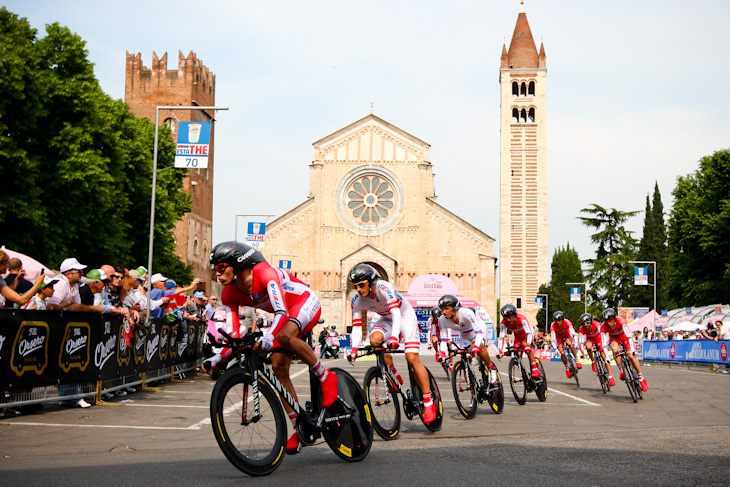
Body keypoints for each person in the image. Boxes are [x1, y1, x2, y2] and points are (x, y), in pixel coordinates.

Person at [209, 241, 338, 455]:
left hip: (303, 302)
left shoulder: (265, 274)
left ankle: (326, 376)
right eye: (215, 270)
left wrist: (269, 337)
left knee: (285, 335)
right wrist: (216, 359)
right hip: (285, 316)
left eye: (221, 268)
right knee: (278, 369)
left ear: (237, 264)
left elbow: (282, 313)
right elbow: (234, 337)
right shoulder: (229, 295)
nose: (217, 275)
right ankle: (300, 428)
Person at [346, 263, 437, 424]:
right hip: (386, 319)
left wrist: (394, 338)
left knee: (412, 358)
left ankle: (428, 402)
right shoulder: (357, 300)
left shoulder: (384, 287)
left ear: (371, 282)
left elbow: (396, 314)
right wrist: (353, 349)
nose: (358, 289)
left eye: (361, 285)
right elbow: (357, 326)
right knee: (375, 341)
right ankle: (393, 373)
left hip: (404, 316)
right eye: (355, 286)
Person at [437, 295, 499, 383]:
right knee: (465, 358)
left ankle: (491, 367)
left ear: (455, 308)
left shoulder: (466, 313)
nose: (444, 312)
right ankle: (472, 387)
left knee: (479, 347)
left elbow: (479, 332)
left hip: (478, 330)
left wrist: (476, 346)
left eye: (446, 308)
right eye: (442, 309)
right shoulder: (442, 320)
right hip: (464, 334)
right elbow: (443, 339)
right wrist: (443, 353)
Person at [601, 308, 648, 392]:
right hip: (614, 338)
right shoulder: (603, 327)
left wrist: (632, 349)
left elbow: (629, 336)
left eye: (610, 320)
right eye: (606, 321)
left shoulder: (621, 321)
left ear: (614, 318)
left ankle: (641, 378)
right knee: (614, 349)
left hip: (624, 336)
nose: (608, 323)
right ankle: (621, 370)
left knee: (631, 356)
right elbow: (604, 345)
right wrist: (607, 357)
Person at [497, 304, 540, 377]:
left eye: (510, 317)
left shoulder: (521, 318)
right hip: (517, 337)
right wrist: (500, 350)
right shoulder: (503, 323)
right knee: (517, 355)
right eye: (506, 318)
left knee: (524, 344)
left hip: (527, 334)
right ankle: (525, 376)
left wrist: (528, 345)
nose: (508, 320)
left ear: (514, 315)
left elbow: (529, 333)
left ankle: (535, 368)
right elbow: (501, 337)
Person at [577, 312, 615, 386]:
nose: (586, 325)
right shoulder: (581, 329)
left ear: (591, 321)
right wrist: (582, 352)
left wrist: (605, 347)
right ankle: (593, 361)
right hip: (590, 339)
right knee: (588, 347)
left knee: (603, 355)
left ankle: (610, 376)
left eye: (587, 323)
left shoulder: (597, 324)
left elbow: (603, 334)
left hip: (598, 337)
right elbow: (580, 342)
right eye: (583, 323)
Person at [549, 311, 582, 379]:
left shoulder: (568, 323)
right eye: (556, 320)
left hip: (567, 334)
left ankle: (576, 359)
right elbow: (553, 339)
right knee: (562, 352)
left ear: (563, 319)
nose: (558, 322)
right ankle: (567, 368)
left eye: (560, 320)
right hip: (559, 338)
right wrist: (556, 349)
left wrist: (575, 343)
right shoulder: (553, 326)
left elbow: (574, 334)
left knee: (570, 343)